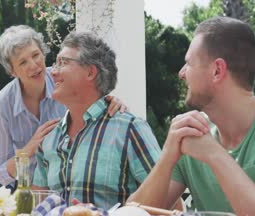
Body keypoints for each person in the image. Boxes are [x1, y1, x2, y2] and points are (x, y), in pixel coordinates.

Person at [128, 16, 255, 215]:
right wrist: (167, 157)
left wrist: (214, 154)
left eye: (189, 63)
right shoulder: (192, 133)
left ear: (217, 71)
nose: (181, 73)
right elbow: (134, 214)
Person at [32, 31, 161, 209]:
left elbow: (166, 200)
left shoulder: (130, 129)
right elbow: (37, 207)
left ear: (90, 72)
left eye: (63, 62)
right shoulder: (49, 140)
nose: (53, 72)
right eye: (55, 63)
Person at [0, 25, 127, 188]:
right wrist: (29, 148)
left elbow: (90, 96)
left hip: (55, 181)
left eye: (35, 55)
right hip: (14, 181)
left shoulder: (62, 81)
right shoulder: (2, 104)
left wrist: (109, 102)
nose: (34, 65)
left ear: (43, 52)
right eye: (23, 62)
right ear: (12, 71)